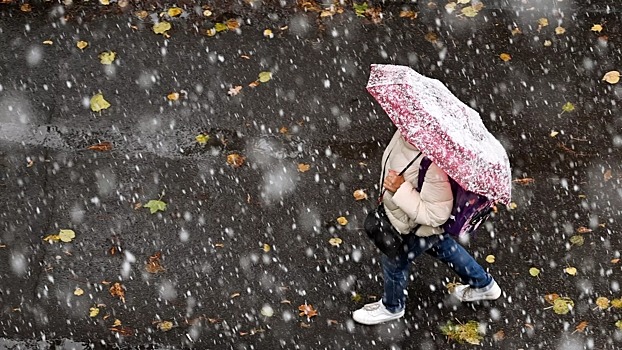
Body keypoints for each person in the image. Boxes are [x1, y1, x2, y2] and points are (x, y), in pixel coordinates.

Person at [352, 130, 502, 325]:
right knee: (443, 246)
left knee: (394, 261)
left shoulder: (433, 165)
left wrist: (400, 189)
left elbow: (436, 214)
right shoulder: (406, 133)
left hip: (415, 228)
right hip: (411, 222)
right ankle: (483, 284)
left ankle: (392, 307)